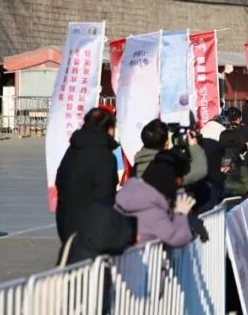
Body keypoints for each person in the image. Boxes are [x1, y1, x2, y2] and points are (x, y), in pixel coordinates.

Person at [54, 106, 119, 245]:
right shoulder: (104, 156)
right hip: (92, 230)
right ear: (109, 129)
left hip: (66, 223)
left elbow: (60, 181)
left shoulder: (73, 149)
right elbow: (105, 195)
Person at [114, 150, 195, 247]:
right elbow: (177, 237)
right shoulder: (154, 213)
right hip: (141, 256)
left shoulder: (125, 197)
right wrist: (180, 214)